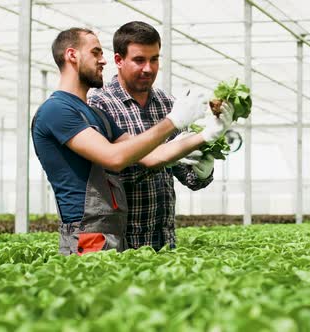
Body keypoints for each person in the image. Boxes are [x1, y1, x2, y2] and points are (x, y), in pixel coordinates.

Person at [32, 27, 230, 255]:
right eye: (96, 53)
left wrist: (207, 134)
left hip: (111, 230)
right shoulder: (56, 110)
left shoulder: (96, 115)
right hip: (86, 232)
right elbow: (114, 158)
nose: (103, 61)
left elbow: (152, 157)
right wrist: (173, 121)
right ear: (72, 55)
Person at [88, 21, 234, 251]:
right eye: (139, 60)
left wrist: (202, 168)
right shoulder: (100, 104)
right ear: (118, 60)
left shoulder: (168, 104)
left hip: (164, 244)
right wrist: (165, 156)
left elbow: (188, 178)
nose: (148, 68)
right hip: (120, 245)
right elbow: (109, 175)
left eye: (154, 59)